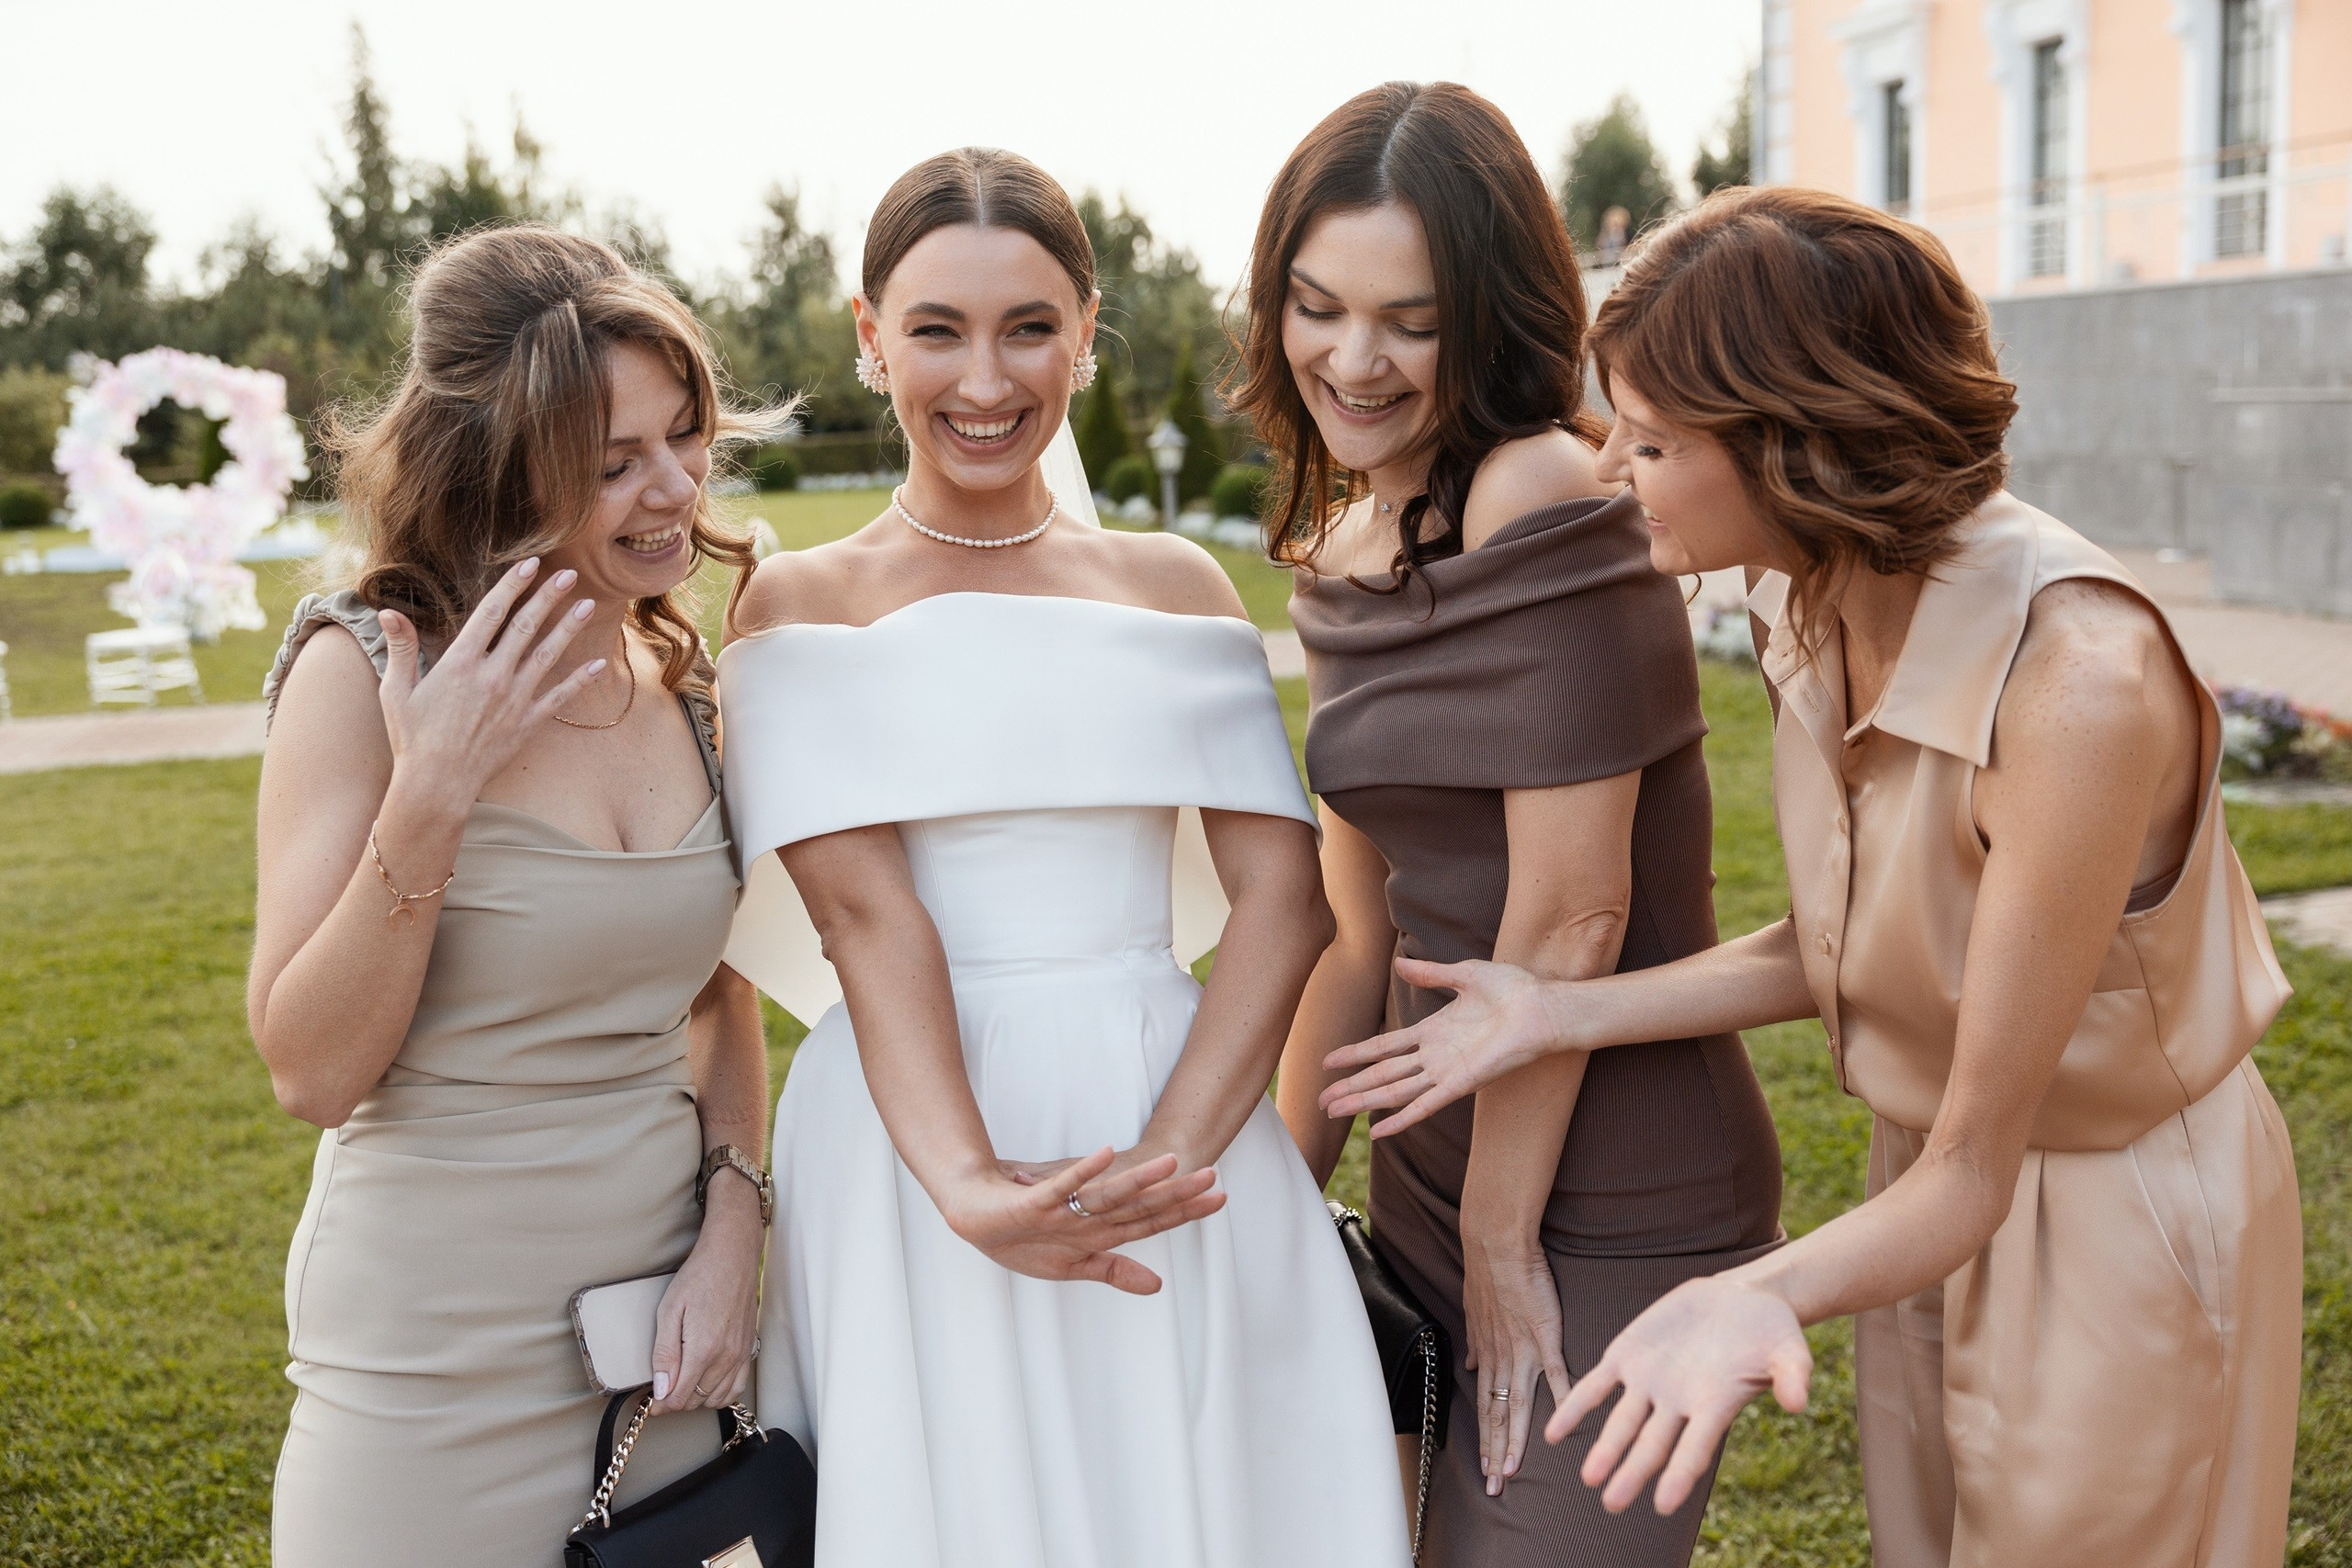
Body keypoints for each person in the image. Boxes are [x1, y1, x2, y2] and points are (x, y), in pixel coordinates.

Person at [1319, 185, 2303, 1568]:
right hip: (1917, 1199)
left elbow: (1980, 1161)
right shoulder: (1821, 592)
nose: (1611, 474)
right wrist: (1560, 1013)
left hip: (2102, 1204)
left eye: (1653, 443)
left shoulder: (2074, 686)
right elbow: (1865, 941)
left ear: (1795, 442)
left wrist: (1745, 1293)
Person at [719, 147, 1409, 1568]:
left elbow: (1288, 904)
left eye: (1030, 326)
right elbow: (865, 920)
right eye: (937, 330)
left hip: (1178, 1116)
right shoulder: (802, 602)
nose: (986, 380)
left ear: (1088, 332)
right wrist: (971, 1185)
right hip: (914, 1137)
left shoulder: (1176, 587)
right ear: (868, 336)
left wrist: (1167, 1159)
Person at [1235, 82, 1782, 1566]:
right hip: (1436, 1163)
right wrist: (1278, 1201)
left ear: (1489, 312)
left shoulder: (1541, 486)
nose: (1354, 360)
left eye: (1410, 319)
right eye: (1317, 306)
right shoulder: (1342, 543)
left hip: (1610, 1191)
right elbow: (1363, 930)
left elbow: (1571, 915)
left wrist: (1498, 1245)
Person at [252, 226, 786, 1564]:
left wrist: (735, 1223)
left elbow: (723, 1003)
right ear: (496, 471)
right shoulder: (367, 666)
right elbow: (311, 1071)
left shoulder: (693, 677)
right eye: (611, 464)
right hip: (427, 1372)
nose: (673, 488)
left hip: (662, 1350)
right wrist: (432, 790)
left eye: (683, 435)